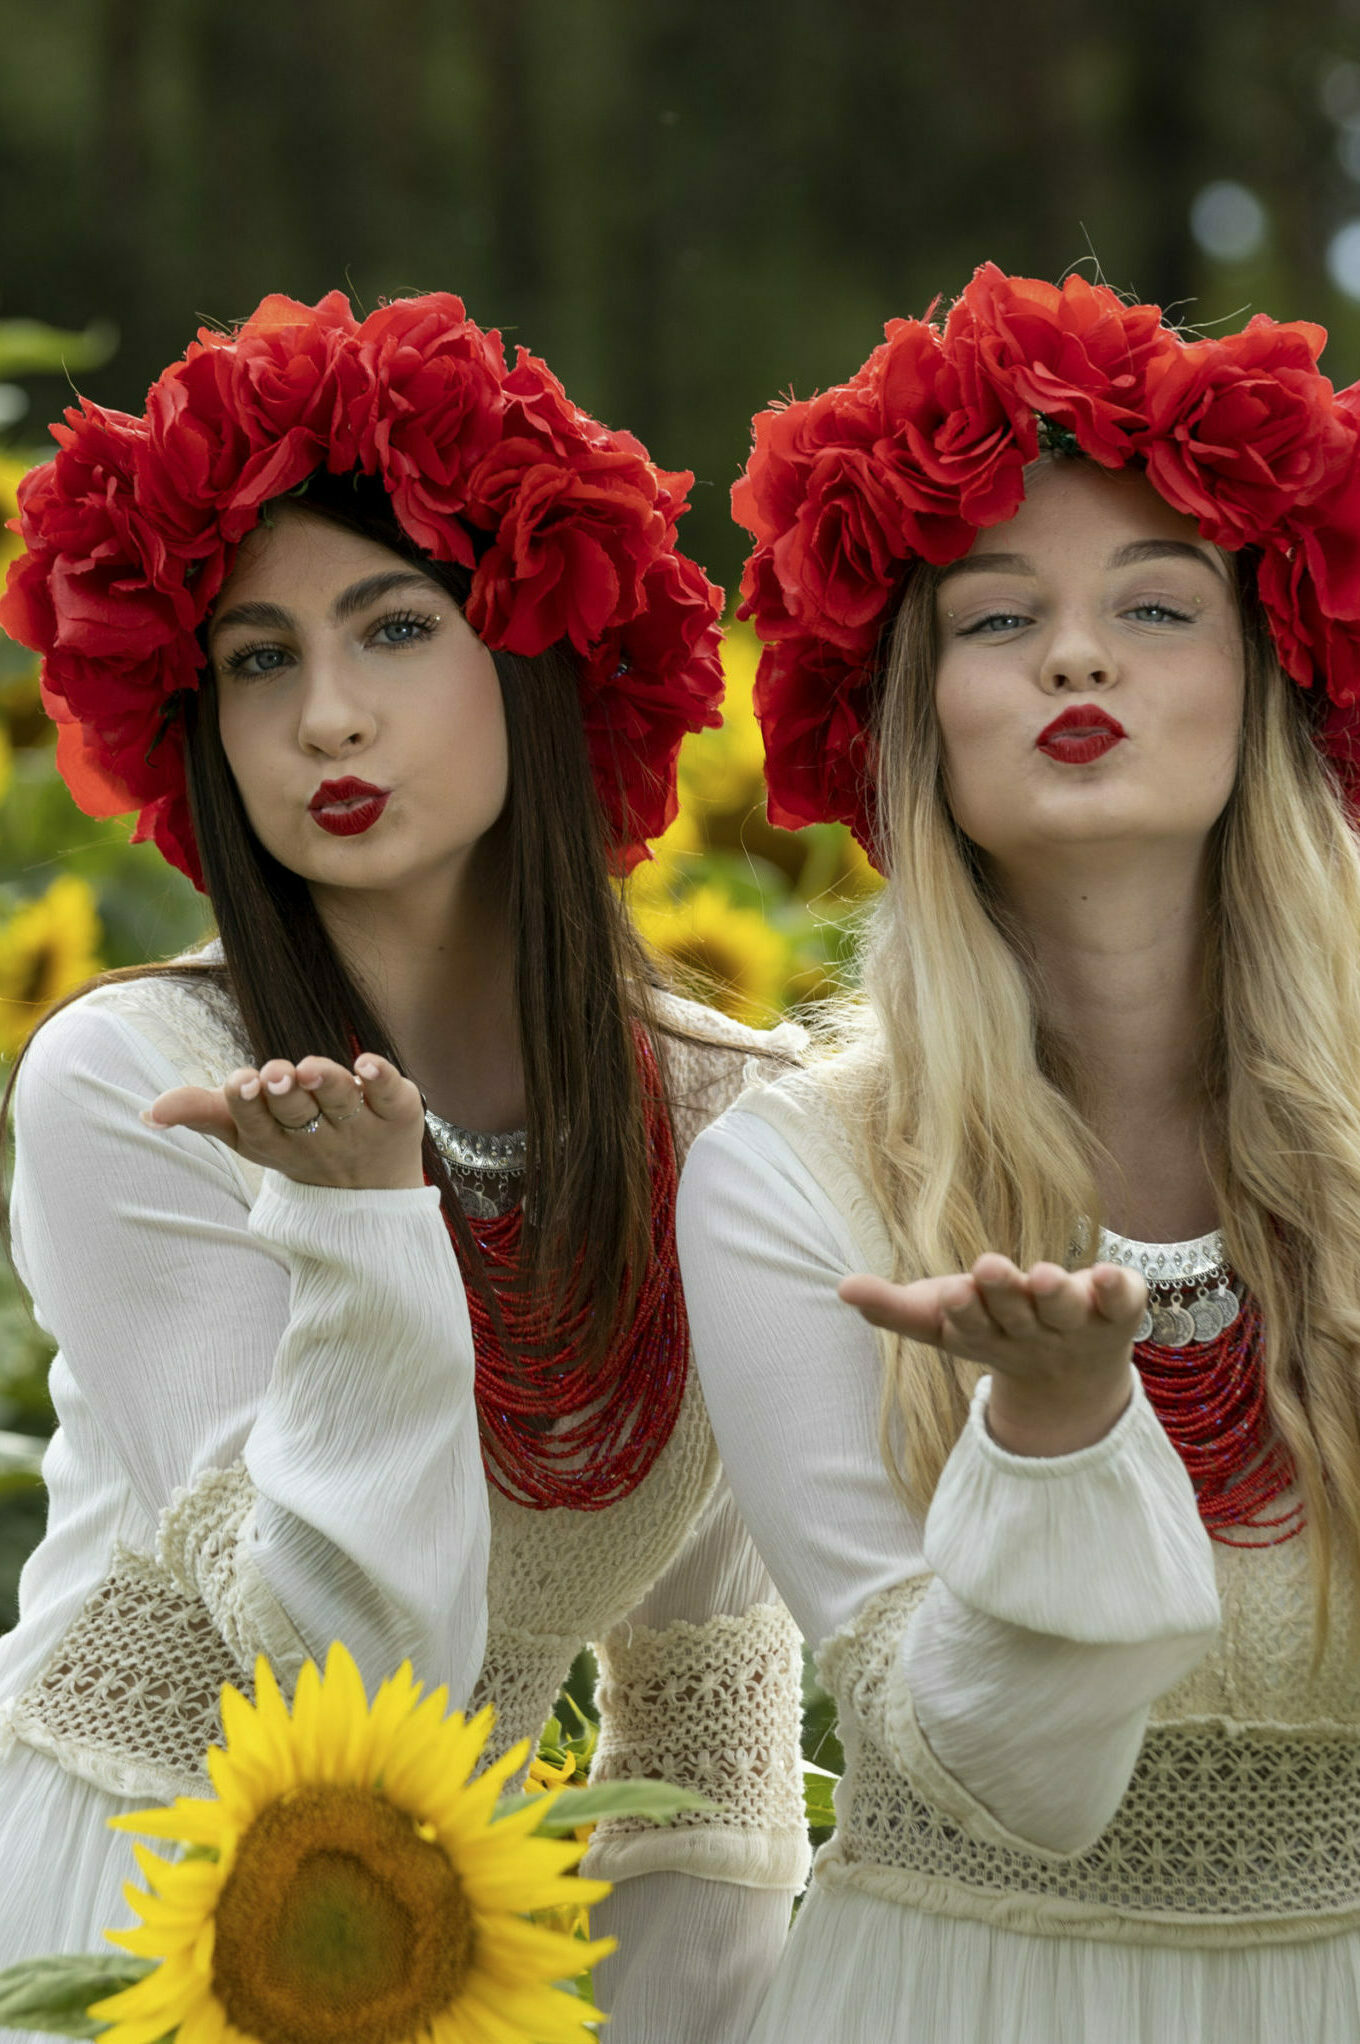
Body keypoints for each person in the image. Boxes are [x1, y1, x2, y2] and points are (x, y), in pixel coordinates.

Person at [0, 289, 810, 2043]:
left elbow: (709, 1724)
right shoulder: (135, 1082)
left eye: (395, 628)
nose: (328, 719)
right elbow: (356, 1674)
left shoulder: (741, 1117)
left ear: (533, 641)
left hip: (469, 1965)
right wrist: (367, 1236)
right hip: (137, 1921)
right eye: (260, 659)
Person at [676, 264, 1360, 2043]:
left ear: (1272, 684)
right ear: (914, 719)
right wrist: (1050, 1439)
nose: (1079, 654)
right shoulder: (788, 1178)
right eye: (998, 618)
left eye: (1158, 606)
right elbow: (985, 1774)